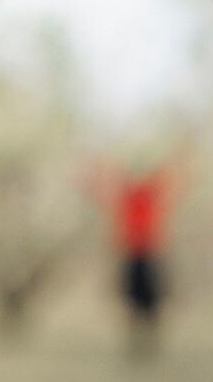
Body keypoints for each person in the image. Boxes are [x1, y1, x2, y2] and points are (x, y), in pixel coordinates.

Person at [78, 142, 190, 357]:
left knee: (151, 303)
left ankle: (149, 344)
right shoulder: (126, 194)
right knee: (132, 303)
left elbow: (173, 177)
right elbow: (100, 185)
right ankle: (136, 344)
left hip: (149, 256)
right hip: (133, 256)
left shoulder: (150, 191)